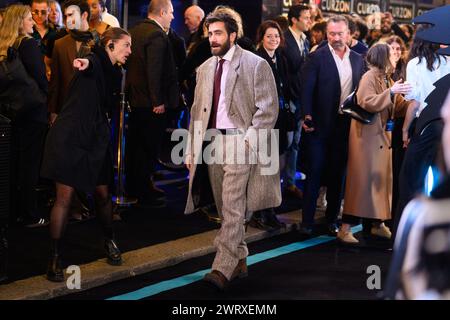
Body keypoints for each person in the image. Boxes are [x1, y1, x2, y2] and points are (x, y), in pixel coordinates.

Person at [184, 8, 280, 290]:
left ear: (233, 35)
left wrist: (250, 141)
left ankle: (222, 267)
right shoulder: (204, 68)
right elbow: (196, 113)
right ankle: (239, 258)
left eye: (218, 34)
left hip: (241, 141)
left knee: (234, 204)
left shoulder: (255, 64)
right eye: (209, 33)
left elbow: (268, 109)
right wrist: (191, 148)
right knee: (227, 208)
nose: (212, 39)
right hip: (212, 142)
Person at [41, 27, 131, 282]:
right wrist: (82, 62)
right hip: (70, 138)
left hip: (95, 140)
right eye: (127, 45)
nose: (130, 51)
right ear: (111, 45)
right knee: (64, 198)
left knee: (103, 194)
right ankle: (55, 257)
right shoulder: (96, 60)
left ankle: (109, 240)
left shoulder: (116, 71)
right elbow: (90, 63)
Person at [337, 43, 412, 244]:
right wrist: (392, 93)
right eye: (392, 54)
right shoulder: (369, 77)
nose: (396, 56)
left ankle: (376, 224)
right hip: (366, 139)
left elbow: (395, 107)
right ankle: (345, 229)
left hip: (379, 138)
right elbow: (367, 101)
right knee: (362, 183)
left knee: (378, 183)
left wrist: (410, 99)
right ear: (382, 58)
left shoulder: (386, 78)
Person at [300, 15, 365, 236]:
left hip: (345, 126)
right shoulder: (316, 57)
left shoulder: (358, 59)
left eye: (340, 34)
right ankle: (306, 222)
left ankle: (331, 221)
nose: (336, 38)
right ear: (327, 34)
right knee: (315, 172)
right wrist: (306, 116)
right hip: (319, 125)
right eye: (331, 34)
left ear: (349, 34)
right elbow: (306, 89)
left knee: (339, 175)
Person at [393, 27, 450, 237]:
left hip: (425, 127)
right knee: (443, 182)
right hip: (446, 128)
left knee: (409, 182)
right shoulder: (448, 62)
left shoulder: (415, 64)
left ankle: (404, 236)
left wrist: (405, 130)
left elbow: (414, 102)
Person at [126, 0, 178, 207]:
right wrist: (158, 101)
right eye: (171, 12)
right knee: (147, 149)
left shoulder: (134, 30)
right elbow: (154, 70)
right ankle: (144, 190)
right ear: (163, 12)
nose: (173, 17)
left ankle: (134, 187)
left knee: (135, 147)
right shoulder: (156, 35)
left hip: (136, 100)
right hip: (151, 103)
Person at [0, 4, 49, 228]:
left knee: (12, 164)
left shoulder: (4, 45)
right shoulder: (28, 44)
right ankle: (29, 214)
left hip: (12, 112)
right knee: (29, 166)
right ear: (20, 22)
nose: (33, 21)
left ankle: (12, 212)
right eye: (30, 18)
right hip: (33, 112)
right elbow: (41, 79)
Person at [252, 20, 293, 231]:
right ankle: (262, 212)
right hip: (263, 121)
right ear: (261, 38)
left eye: (276, 36)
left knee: (274, 167)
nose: (273, 40)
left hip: (280, 120)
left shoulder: (280, 58)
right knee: (263, 169)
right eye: (269, 36)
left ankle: (269, 210)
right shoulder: (257, 59)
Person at [281, 4, 312, 200]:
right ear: (294, 19)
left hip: (301, 100)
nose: (309, 21)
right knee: (286, 142)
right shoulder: (283, 39)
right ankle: (276, 183)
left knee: (296, 143)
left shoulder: (306, 40)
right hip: (287, 100)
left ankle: (290, 182)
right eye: (306, 17)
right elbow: (285, 73)